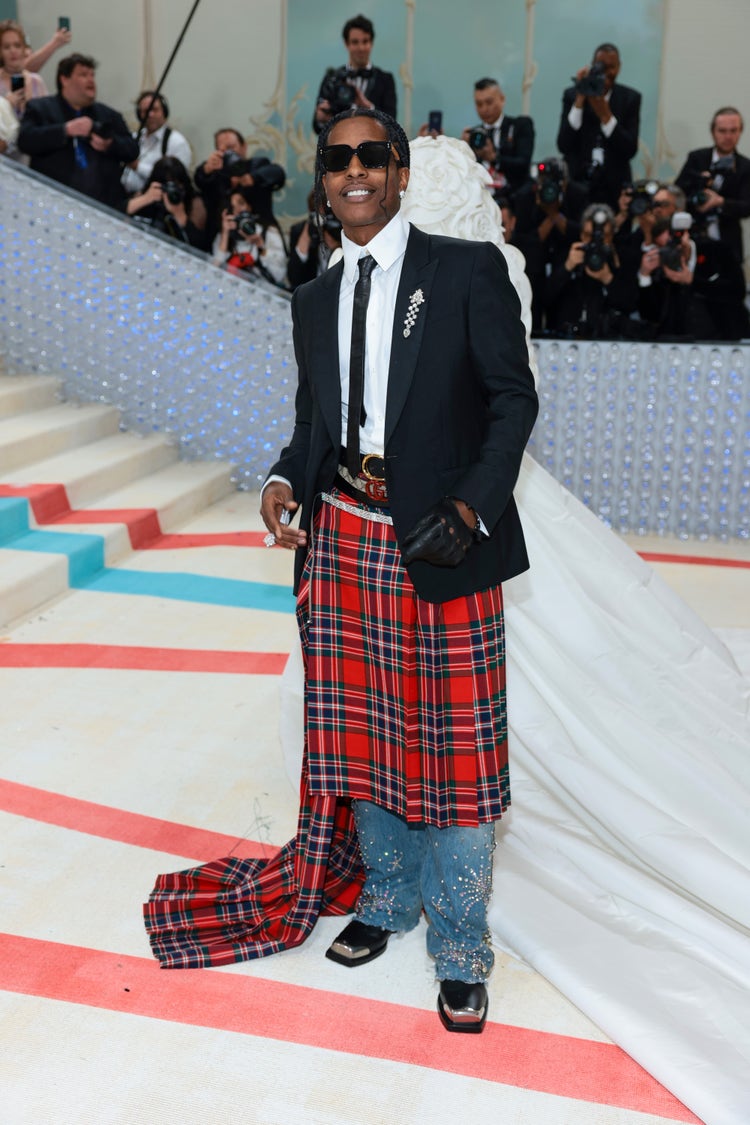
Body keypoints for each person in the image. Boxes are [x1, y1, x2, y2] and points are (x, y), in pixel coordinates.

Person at [146, 107, 538, 1034]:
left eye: (372, 156)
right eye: (337, 159)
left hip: (444, 540)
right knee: (361, 739)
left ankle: (461, 946)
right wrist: (285, 477)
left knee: (457, 753)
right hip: (347, 536)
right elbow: (314, 422)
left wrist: (470, 508)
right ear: (323, 178)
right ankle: (388, 899)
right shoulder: (314, 298)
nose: (354, 170)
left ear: (398, 172)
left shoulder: (465, 270)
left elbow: (513, 400)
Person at [17, 53, 138, 211]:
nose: (90, 80)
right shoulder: (40, 108)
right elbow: (25, 140)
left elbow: (133, 150)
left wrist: (110, 144)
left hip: (102, 207)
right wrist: (65, 130)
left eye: (92, 75)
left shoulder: (109, 115)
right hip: (52, 205)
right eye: (83, 75)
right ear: (64, 79)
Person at [556, 42, 641, 210]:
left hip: (614, 186)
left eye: (611, 67)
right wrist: (580, 100)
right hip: (578, 182)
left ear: (619, 67)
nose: (607, 73)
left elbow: (630, 149)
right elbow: (563, 144)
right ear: (592, 66)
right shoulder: (572, 95)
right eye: (601, 66)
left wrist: (605, 115)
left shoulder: (630, 98)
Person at [544, 201, 637, 337]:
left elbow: (631, 305)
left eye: (602, 236)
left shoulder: (621, 259)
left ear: (612, 236)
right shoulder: (567, 255)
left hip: (608, 339)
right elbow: (544, 298)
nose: (595, 242)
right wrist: (567, 267)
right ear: (581, 234)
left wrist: (608, 278)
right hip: (566, 337)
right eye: (589, 235)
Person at [675, 106, 750, 265]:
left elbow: (746, 206)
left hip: (727, 240)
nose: (728, 136)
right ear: (713, 132)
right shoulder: (697, 158)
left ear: (740, 131)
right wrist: (697, 189)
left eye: (733, 131)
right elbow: (677, 193)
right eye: (722, 131)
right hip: (692, 238)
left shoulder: (745, 166)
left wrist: (720, 202)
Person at [194, 127, 285, 245]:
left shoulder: (257, 165)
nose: (228, 153)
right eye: (222, 150)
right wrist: (206, 169)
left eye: (231, 148)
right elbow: (199, 181)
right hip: (224, 240)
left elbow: (278, 173)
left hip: (259, 235)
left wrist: (254, 178)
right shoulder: (215, 173)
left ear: (244, 147)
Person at [312, 14, 396, 134]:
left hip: (373, 143)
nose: (361, 48)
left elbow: (392, 124)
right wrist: (321, 118)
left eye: (365, 41)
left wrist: (368, 107)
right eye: (355, 42)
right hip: (338, 143)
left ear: (371, 43)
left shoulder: (385, 80)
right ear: (346, 44)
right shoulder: (332, 78)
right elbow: (317, 128)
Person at [461, 77, 534, 199]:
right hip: (480, 197)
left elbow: (523, 163)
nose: (484, 109)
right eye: (479, 104)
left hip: (513, 197)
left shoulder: (520, 125)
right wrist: (463, 149)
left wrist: (494, 158)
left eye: (489, 102)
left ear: (502, 99)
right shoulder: (473, 135)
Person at [126, 155, 209, 251]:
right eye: (166, 187)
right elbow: (118, 215)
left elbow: (201, 249)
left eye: (175, 186)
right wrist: (145, 199)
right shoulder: (145, 198)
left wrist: (181, 217)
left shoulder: (194, 205)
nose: (168, 193)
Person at [121, 90, 192, 197]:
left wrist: (137, 166)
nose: (150, 114)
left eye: (154, 109)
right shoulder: (135, 137)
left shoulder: (177, 142)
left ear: (164, 111)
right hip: (123, 196)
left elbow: (176, 180)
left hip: (154, 202)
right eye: (145, 111)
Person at [213, 186, 288, 284]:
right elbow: (214, 272)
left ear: (249, 206)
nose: (239, 210)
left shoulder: (269, 232)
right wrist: (225, 234)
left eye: (241, 203)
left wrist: (261, 246)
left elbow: (279, 276)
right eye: (233, 208)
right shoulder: (223, 237)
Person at [287, 190, 343, 289]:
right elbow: (294, 279)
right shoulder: (300, 231)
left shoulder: (347, 232)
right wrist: (306, 236)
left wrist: (336, 247)